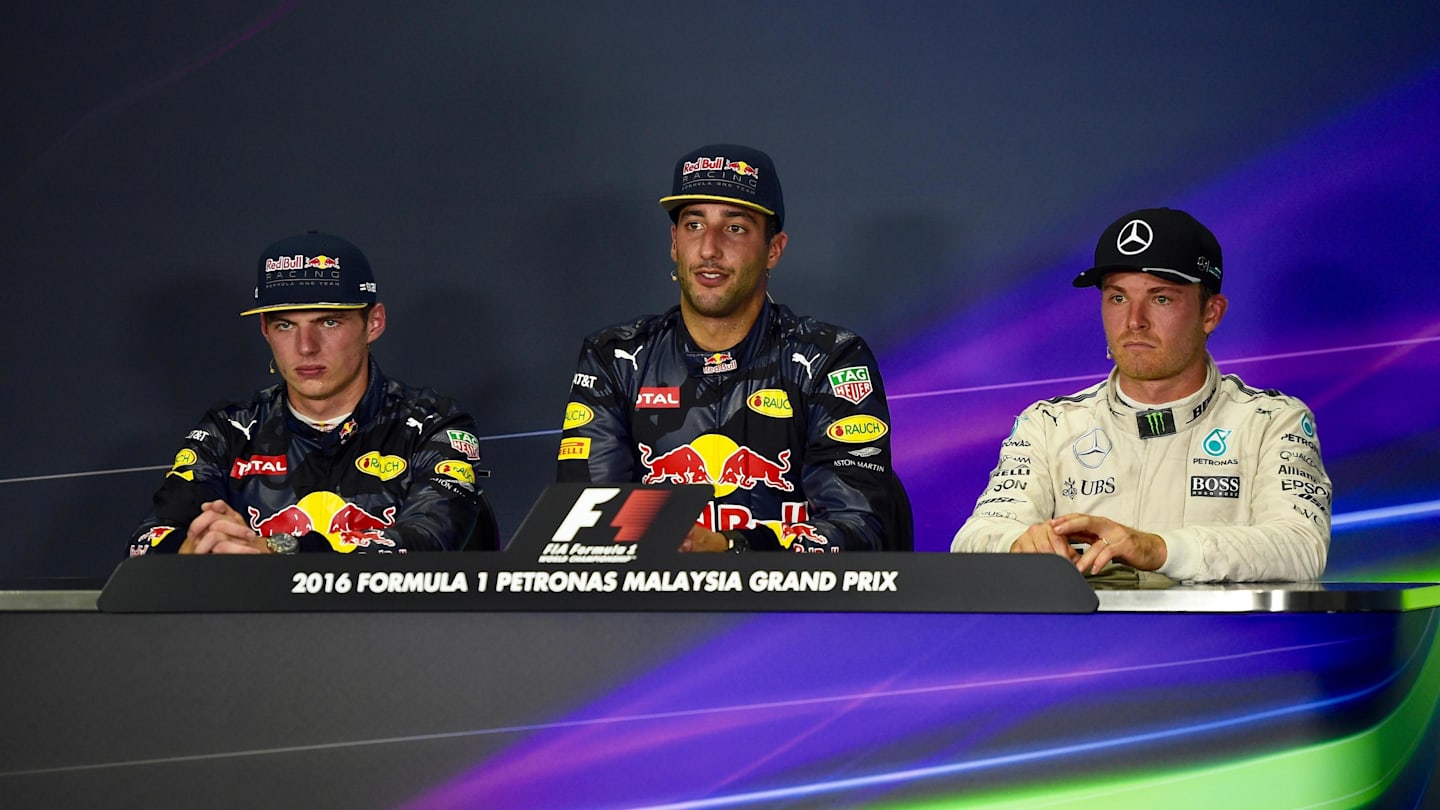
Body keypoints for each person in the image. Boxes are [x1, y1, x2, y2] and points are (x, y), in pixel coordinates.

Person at [557, 144, 911, 552]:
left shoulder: (828, 359)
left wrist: (731, 549)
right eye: (693, 225)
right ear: (674, 243)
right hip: (655, 610)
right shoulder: (615, 359)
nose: (709, 248)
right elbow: (585, 533)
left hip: (792, 610)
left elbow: (860, 529)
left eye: (735, 228)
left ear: (773, 249)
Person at [951, 208, 1330, 582]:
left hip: (1221, 644)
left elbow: (1300, 546)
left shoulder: (1273, 421)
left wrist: (1155, 549)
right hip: (1079, 643)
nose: (1135, 321)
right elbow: (973, 538)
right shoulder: (1048, 425)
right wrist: (1018, 544)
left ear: (1211, 314)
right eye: (1117, 298)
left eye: (1160, 298)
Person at [128, 231, 496, 555]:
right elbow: (147, 543)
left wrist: (279, 553)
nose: (306, 347)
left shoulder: (432, 425)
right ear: (264, 330)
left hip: (396, 633)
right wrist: (192, 551)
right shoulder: (229, 431)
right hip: (256, 634)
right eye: (286, 325)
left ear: (375, 323)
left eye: (329, 322)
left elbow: (428, 544)